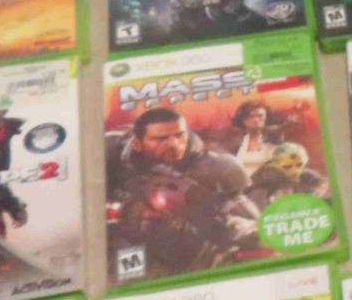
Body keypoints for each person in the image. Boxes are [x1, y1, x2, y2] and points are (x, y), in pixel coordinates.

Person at [106, 107, 259, 274]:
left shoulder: (212, 168)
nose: (173, 144)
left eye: (179, 135)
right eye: (160, 139)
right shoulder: (112, 155)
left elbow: (248, 222)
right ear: (137, 143)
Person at [222, 100, 278, 174]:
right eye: (251, 116)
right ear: (243, 120)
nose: (256, 120)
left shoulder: (275, 137)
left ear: (266, 117)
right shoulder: (237, 142)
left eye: (260, 116)